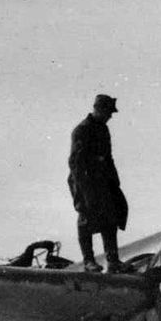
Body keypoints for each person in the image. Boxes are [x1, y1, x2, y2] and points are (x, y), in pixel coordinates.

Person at [68, 94, 129, 273]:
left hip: (103, 181)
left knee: (110, 218)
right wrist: (85, 192)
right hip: (84, 181)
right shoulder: (82, 130)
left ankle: (113, 260)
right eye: (108, 112)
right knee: (86, 219)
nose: (110, 116)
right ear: (99, 109)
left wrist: (114, 182)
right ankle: (88, 261)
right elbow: (75, 163)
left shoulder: (103, 129)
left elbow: (108, 157)